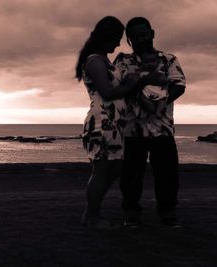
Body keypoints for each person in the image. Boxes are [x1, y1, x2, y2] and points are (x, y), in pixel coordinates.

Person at [114, 17, 186, 228]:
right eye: (135, 37)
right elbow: (117, 89)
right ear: (129, 40)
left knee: (167, 175)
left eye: (144, 34)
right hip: (131, 130)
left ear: (152, 33)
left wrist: (160, 102)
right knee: (130, 177)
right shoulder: (122, 61)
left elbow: (179, 85)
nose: (140, 39)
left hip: (162, 129)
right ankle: (131, 215)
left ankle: (168, 214)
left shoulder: (168, 59)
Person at [75, 16, 140, 230]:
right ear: (107, 37)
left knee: (113, 170)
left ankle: (89, 213)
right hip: (102, 122)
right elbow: (107, 92)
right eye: (116, 38)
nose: (118, 44)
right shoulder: (95, 60)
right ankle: (92, 217)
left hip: (114, 123)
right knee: (101, 171)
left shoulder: (103, 61)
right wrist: (130, 85)